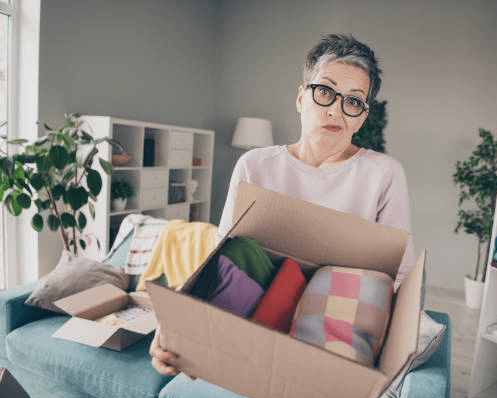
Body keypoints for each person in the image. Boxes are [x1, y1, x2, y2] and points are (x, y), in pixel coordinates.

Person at [150, 33, 415, 377]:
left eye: (353, 101)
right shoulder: (255, 166)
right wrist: (178, 326)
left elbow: (400, 278)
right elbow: (223, 260)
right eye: (324, 91)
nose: (336, 109)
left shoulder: (384, 174)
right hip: (257, 326)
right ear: (301, 98)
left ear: (363, 116)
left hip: (334, 332)